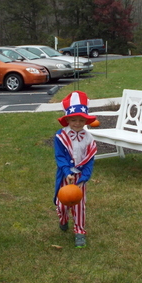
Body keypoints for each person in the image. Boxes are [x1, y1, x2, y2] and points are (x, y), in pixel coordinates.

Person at [53, 91, 97, 248]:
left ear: (85, 120)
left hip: (80, 178)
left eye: (80, 120)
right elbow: (60, 157)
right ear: (67, 120)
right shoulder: (60, 136)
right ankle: (63, 218)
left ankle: (79, 231)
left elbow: (90, 160)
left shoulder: (89, 138)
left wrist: (84, 177)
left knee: (79, 204)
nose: (77, 123)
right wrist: (67, 172)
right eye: (73, 120)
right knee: (62, 203)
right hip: (66, 175)